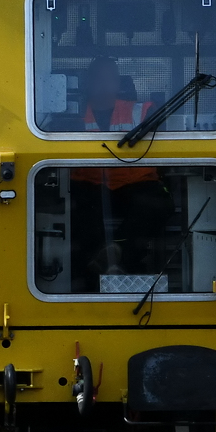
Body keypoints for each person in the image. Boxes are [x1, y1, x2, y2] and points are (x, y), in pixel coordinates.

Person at [70, 56, 173, 290]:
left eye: (110, 78)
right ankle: (93, 269)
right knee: (76, 209)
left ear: (119, 83)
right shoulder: (70, 114)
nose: (104, 84)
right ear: (88, 83)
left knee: (158, 203)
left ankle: (119, 255)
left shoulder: (143, 111)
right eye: (98, 79)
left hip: (135, 182)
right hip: (88, 183)